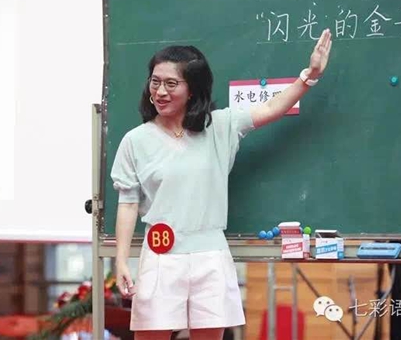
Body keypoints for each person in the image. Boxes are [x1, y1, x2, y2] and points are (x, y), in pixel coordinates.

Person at [112, 29, 333, 340]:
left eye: (171, 84)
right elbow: (128, 202)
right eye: (155, 81)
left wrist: (309, 75)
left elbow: (272, 108)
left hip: (210, 256)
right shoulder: (135, 141)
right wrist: (121, 259)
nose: (160, 91)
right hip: (160, 256)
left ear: (193, 89)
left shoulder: (220, 126)